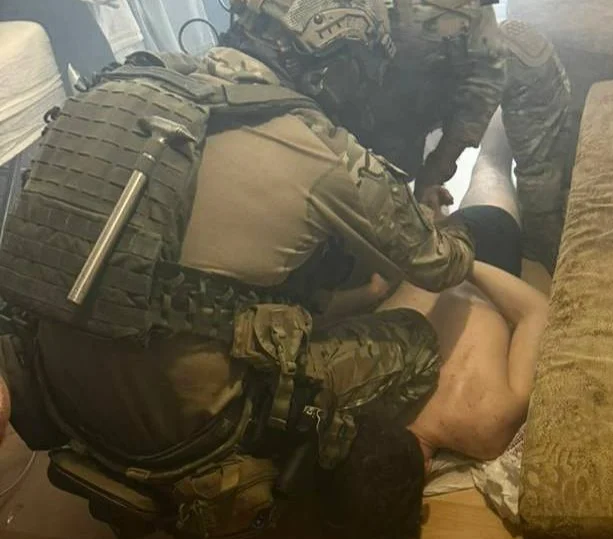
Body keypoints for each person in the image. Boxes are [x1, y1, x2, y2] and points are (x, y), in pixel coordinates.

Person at [0, 1, 475, 536]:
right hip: (190, 431)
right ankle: (263, 474)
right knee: (416, 344)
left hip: (59, 395)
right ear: (340, 69)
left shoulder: (128, 82)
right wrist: (447, 219)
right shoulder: (323, 150)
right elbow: (442, 265)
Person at [315, 110, 549, 539]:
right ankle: (495, 115)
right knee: (491, 166)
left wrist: (438, 254)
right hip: (470, 261)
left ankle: (447, 184)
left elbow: (537, 312)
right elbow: (538, 310)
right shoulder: (354, 387)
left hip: (446, 258)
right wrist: (454, 261)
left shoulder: (486, 429)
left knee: (487, 168)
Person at [230, 0, 574, 272]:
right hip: (329, 112)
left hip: (421, 89)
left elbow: (485, 71)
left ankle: (541, 231)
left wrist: (437, 168)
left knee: (526, 54)